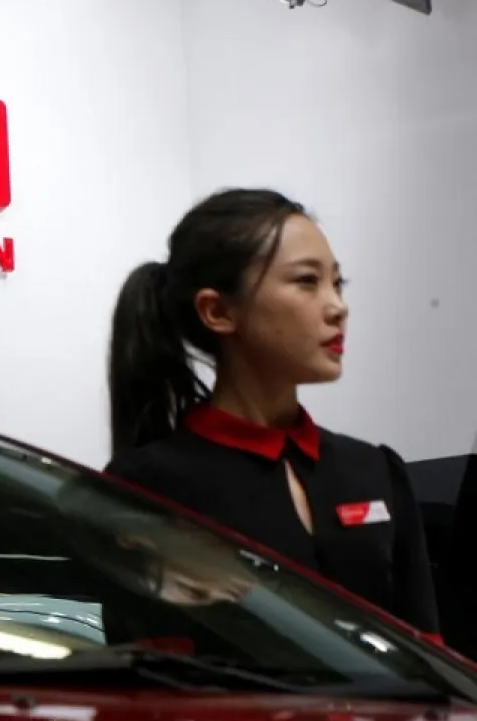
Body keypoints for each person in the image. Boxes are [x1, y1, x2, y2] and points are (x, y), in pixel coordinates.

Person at [103, 187, 441, 639]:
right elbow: (153, 685)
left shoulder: (375, 471)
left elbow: (430, 659)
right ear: (218, 311)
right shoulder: (148, 489)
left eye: (337, 283)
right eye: (307, 281)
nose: (338, 307)